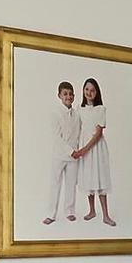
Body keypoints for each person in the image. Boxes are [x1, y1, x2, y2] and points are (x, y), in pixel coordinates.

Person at [74, 78, 116, 226]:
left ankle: (106, 215)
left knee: (100, 178)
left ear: (96, 92)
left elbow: (98, 134)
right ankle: (92, 211)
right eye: (87, 89)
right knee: (88, 178)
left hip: (96, 148)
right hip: (83, 147)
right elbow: (77, 128)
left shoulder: (101, 109)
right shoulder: (79, 109)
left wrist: (85, 149)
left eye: (92, 90)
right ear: (83, 91)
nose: (89, 92)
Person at [43, 81, 83, 225]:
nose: (68, 96)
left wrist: (77, 150)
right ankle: (51, 214)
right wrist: (70, 151)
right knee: (55, 184)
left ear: (74, 96)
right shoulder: (55, 113)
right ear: (59, 95)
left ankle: (70, 211)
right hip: (59, 155)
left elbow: (79, 133)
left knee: (71, 184)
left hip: (74, 156)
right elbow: (56, 137)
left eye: (71, 94)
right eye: (65, 94)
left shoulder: (77, 113)